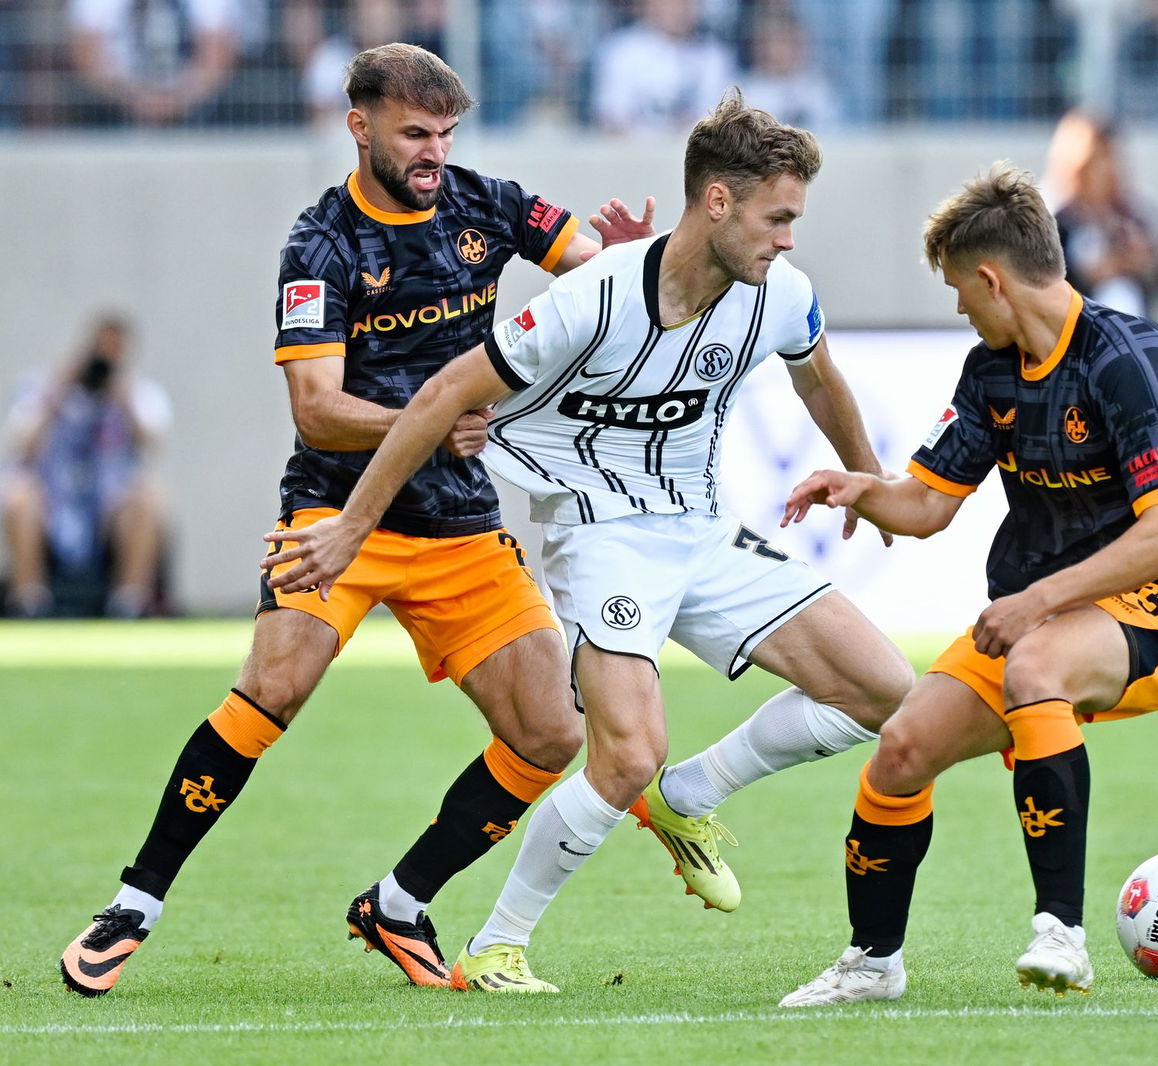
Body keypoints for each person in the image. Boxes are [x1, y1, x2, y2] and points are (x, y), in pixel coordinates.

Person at [263, 92, 915, 993]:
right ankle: (498, 945)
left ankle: (689, 796)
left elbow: (821, 382)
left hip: (703, 528)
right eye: (778, 218)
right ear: (717, 202)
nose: (789, 240)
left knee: (887, 690)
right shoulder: (596, 297)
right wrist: (352, 526)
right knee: (625, 751)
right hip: (602, 535)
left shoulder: (781, 295)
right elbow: (443, 395)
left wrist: (869, 481)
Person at [58, 42, 654, 997]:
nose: (433, 153)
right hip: (339, 510)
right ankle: (136, 901)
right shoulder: (319, 244)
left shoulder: (485, 202)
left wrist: (625, 265)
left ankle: (401, 902)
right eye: (415, 134)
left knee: (550, 733)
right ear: (360, 126)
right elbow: (318, 407)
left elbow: (599, 272)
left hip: (459, 523)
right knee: (275, 683)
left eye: (446, 133)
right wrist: (429, 423)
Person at [776, 161, 1158, 1006]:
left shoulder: (1123, 359)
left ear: (992, 278)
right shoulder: (989, 370)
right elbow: (926, 505)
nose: (960, 307)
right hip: (1050, 609)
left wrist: (1037, 601)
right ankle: (873, 962)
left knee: (1037, 668)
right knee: (901, 751)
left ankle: (1060, 933)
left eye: (962, 290)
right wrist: (863, 487)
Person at [0, 313, 170, 620]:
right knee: (16, 494)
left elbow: (152, 443)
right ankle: (29, 604)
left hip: (110, 510)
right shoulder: (44, 387)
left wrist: (122, 395)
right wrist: (57, 390)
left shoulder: (138, 391)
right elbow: (21, 446)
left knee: (150, 497)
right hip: (53, 502)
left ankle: (129, 605)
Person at [1043, 110, 1158, 319]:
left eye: (1109, 157)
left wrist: (1141, 264)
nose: (1104, 169)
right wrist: (1084, 276)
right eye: (1095, 160)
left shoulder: (1135, 214)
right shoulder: (1051, 217)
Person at [67, 0, 237, 126]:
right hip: (115, 105)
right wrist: (132, 97)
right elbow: (85, 52)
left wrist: (179, 98)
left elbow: (218, 51)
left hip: (194, 106)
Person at [591, 0, 737, 136]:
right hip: (632, 154)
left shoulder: (715, 56)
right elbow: (611, 117)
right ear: (648, 5)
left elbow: (720, 121)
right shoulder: (620, 50)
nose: (679, 9)